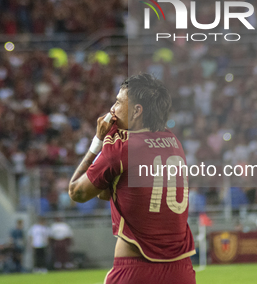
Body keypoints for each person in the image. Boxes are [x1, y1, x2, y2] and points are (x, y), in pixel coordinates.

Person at [69, 74, 196, 284]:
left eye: (118, 102)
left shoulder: (120, 149)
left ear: (137, 111)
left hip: (135, 271)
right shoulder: (173, 142)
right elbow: (109, 192)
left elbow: (77, 192)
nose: (113, 109)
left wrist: (98, 141)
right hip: (181, 270)